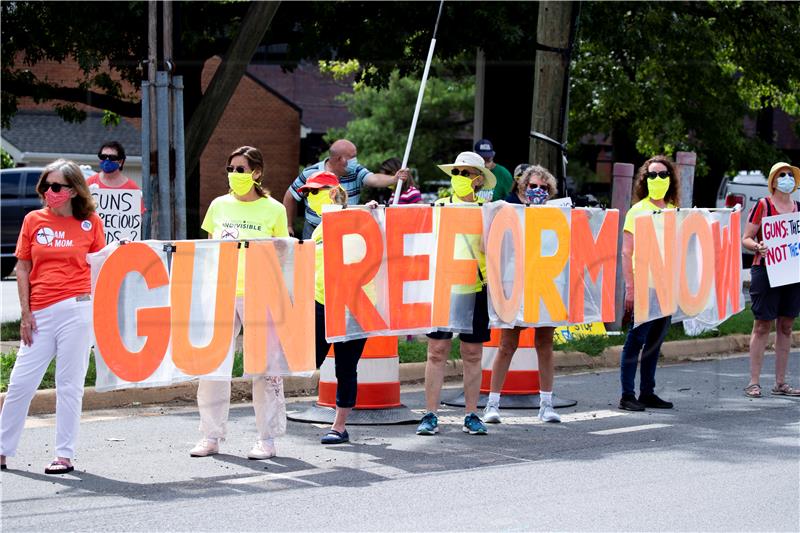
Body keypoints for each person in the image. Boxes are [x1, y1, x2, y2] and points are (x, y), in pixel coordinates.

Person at [0, 159, 105, 474]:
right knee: (20, 383)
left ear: (73, 190)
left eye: (57, 186)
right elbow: (23, 267)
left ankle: (64, 455)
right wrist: (26, 313)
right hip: (40, 313)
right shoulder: (34, 220)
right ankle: (3, 449)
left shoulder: (90, 223)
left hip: (78, 308)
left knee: (69, 384)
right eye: (46, 185)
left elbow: (102, 266)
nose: (49, 191)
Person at [189, 146, 290, 460]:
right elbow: (209, 251)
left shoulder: (273, 209)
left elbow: (284, 254)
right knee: (213, 366)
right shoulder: (219, 206)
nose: (235, 175)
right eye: (231, 169)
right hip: (221, 292)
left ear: (257, 173)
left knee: (266, 368)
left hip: (260, 294)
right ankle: (210, 435)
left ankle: (266, 438)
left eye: (241, 169)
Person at [299, 170, 383, 444]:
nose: (309, 198)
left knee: (346, 368)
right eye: (307, 194)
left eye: (314, 192)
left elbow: (377, 243)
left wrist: (373, 216)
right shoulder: (321, 227)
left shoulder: (357, 219)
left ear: (333, 193)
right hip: (322, 303)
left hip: (354, 305)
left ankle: (339, 426)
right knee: (308, 359)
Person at [416, 151, 496, 436]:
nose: (459, 178)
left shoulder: (487, 211)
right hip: (444, 287)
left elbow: (496, 248)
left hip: (475, 288)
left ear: (477, 180)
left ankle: (472, 414)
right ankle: (430, 414)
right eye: (456, 173)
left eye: (465, 174)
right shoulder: (437, 207)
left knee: (473, 353)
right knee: (436, 351)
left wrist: (489, 222)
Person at [484, 165, 561, 424]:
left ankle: (546, 405)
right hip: (515, 282)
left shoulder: (557, 216)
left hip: (544, 284)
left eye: (543, 187)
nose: (538, 191)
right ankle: (492, 404)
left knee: (545, 344)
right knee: (507, 344)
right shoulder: (509, 212)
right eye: (533, 186)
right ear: (522, 187)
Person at [618, 155, 680, 411]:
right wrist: (630, 288)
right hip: (645, 285)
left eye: (662, 174)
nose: (657, 179)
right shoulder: (638, 211)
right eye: (652, 175)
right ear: (645, 180)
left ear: (670, 179)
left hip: (666, 286)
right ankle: (627, 395)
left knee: (655, 342)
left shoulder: (674, 211)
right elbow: (626, 252)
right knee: (636, 340)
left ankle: (647, 392)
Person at [741, 162, 800, 398]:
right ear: (774, 181)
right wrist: (758, 246)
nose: (787, 179)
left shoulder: (798, 209)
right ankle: (753, 382)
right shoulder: (763, 206)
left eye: (790, 175)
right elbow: (746, 238)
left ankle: (781, 382)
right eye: (782, 175)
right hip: (765, 270)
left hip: (792, 273)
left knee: (786, 325)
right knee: (762, 323)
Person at [283, 139, 402, 239]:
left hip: (346, 229)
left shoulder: (355, 170)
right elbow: (291, 195)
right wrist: (288, 225)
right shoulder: (311, 173)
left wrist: (394, 179)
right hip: (314, 229)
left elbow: (374, 179)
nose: (355, 160)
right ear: (340, 159)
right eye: (352, 157)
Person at [86, 141, 145, 213]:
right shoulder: (89, 183)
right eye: (103, 157)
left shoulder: (132, 189)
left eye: (112, 157)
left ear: (120, 161)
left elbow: (138, 217)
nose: (107, 160)